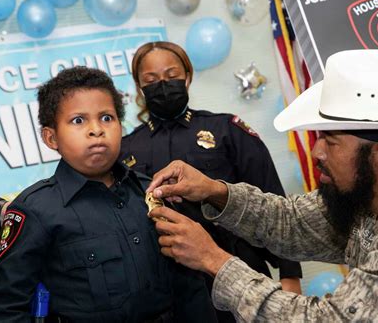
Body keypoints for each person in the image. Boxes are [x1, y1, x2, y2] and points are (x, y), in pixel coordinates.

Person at [145, 50, 378, 321]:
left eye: (331, 142)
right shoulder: (364, 198)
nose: (316, 152)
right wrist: (215, 191)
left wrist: (214, 260)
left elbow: (331, 319)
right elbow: (292, 222)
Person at [0, 66, 217, 322]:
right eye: (78, 120)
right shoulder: (34, 210)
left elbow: (190, 286)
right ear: (51, 138)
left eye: (107, 118)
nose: (96, 130)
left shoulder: (153, 192)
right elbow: (7, 309)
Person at [119, 42, 303, 312]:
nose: (163, 85)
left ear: (188, 77)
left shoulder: (227, 130)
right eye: (151, 79)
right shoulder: (126, 150)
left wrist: (290, 274)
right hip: (168, 288)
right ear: (139, 87)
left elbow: (272, 199)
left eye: (171, 76)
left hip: (237, 271)